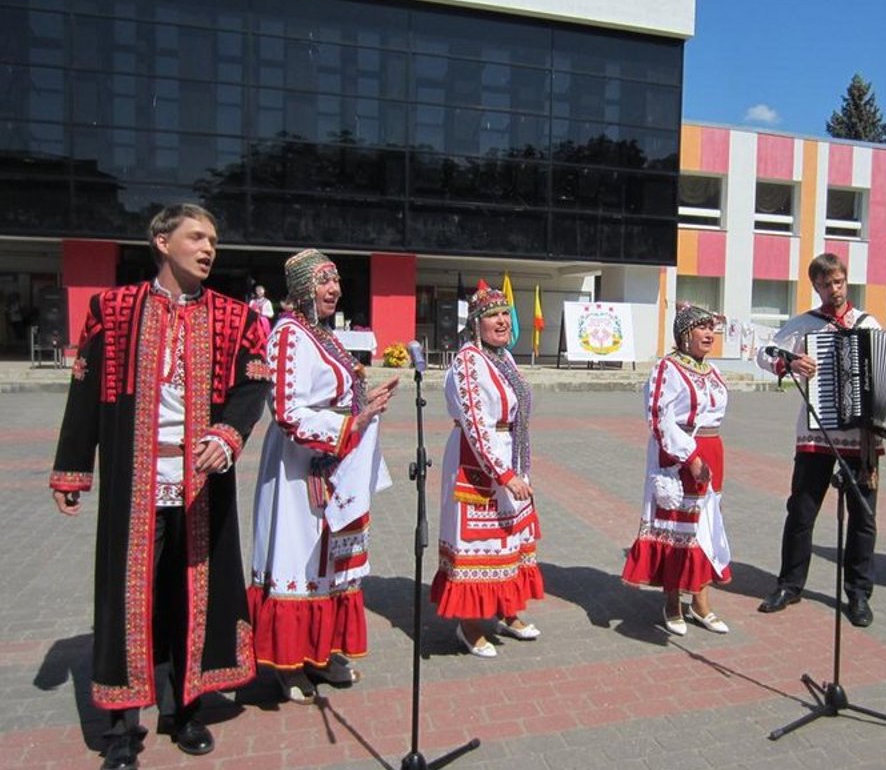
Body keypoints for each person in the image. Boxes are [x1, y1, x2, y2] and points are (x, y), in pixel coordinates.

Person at [49, 203, 271, 770]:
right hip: (136, 485)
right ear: (161, 240)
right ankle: (121, 729)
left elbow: (253, 387)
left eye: (214, 241)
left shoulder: (234, 316)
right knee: (129, 601)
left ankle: (185, 710)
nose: (208, 248)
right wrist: (73, 468)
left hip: (200, 487)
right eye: (196, 236)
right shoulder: (113, 310)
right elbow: (85, 391)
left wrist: (229, 433)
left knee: (190, 598)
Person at [247, 249, 397, 703]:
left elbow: (335, 394)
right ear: (301, 290)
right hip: (297, 469)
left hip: (336, 465)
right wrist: (351, 422)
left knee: (332, 563)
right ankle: (288, 664)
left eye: (335, 281)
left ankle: (322, 651)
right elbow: (287, 411)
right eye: (323, 282)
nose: (334, 289)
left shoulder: (324, 336)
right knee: (300, 560)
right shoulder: (288, 335)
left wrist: (364, 402)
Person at [755, 253, 886, 628]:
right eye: (825, 284)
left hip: (862, 437)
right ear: (815, 286)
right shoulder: (804, 324)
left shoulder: (868, 323)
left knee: (863, 519)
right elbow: (764, 353)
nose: (833, 290)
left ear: (845, 281)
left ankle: (858, 594)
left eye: (838, 282)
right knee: (801, 512)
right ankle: (790, 584)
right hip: (816, 433)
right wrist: (790, 362)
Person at [432, 282, 543, 658]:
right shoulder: (467, 361)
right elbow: (476, 423)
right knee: (478, 545)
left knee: (510, 540)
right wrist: (504, 474)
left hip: (510, 452)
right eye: (492, 315)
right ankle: (470, 625)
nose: (501, 321)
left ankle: (507, 612)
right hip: (477, 460)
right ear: (476, 323)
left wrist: (518, 468)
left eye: (504, 314)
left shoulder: (504, 358)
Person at [622, 304, 732, 636]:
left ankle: (700, 601)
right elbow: (659, 418)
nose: (709, 334)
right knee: (675, 528)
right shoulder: (667, 369)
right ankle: (672, 600)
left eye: (711, 327)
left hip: (713, 451)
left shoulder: (712, 371)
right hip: (679, 455)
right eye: (701, 328)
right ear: (684, 334)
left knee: (704, 528)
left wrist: (706, 457)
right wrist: (691, 457)